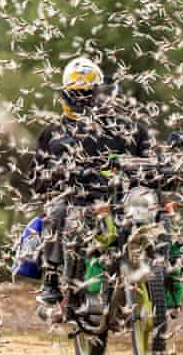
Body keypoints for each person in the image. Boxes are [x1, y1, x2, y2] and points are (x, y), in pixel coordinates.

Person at [28, 57, 153, 306]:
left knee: (160, 218)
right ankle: (51, 280)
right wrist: (54, 173)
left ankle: (161, 278)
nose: (84, 99)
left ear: (101, 92)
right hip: (76, 199)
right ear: (66, 94)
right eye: (78, 93)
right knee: (56, 211)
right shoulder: (53, 132)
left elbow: (152, 160)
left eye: (89, 93)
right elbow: (35, 177)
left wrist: (172, 168)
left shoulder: (130, 128)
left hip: (123, 201)